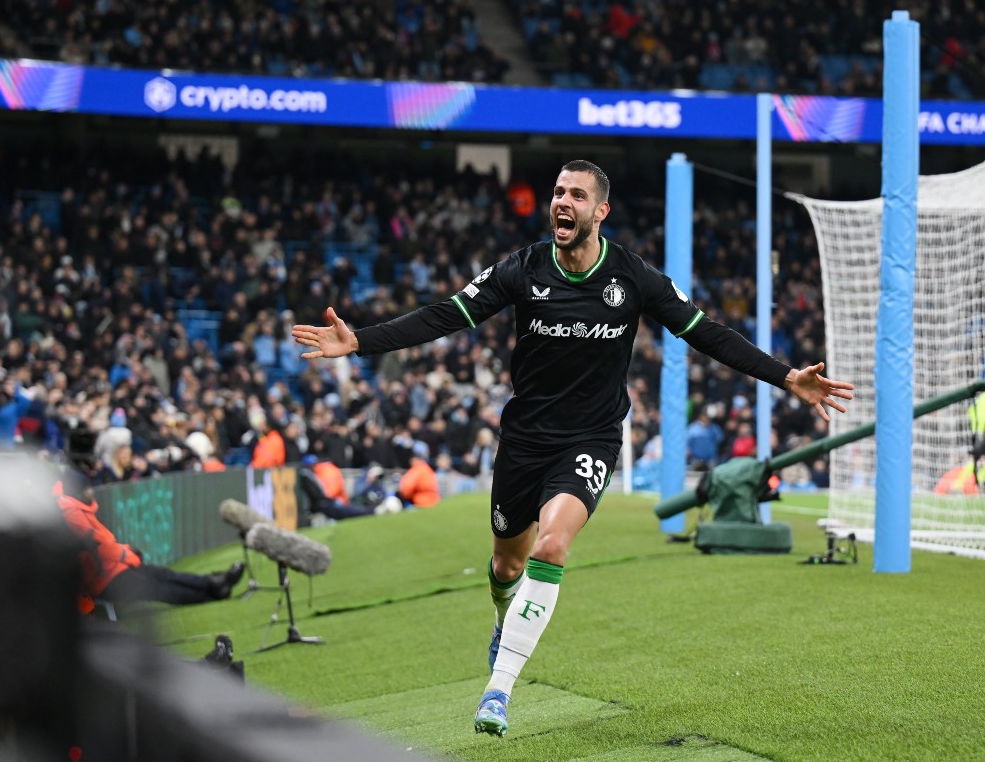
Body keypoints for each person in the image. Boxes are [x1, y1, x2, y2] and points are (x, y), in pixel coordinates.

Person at [291, 159, 853, 736]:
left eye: (577, 195)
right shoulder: (523, 268)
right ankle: (502, 618)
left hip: (591, 438)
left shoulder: (634, 278)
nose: (563, 201)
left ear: (600, 211)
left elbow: (706, 332)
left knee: (553, 545)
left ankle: (499, 688)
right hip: (524, 439)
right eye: (558, 192)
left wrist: (787, 376)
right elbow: (446, 317)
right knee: (506, 562)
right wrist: (359, 341)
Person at [54, 473, 244, 616]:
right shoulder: (72, 514)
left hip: (112, 571)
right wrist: (127, 555)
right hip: (104, 580)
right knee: (161, 588)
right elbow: (100, 549)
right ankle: (214, 593)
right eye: (87, 489)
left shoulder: (74, 510)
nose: (91, 492)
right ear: (77, 492)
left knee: (163, 575)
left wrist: (125, 554)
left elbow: (103, 546)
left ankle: (214, 583)